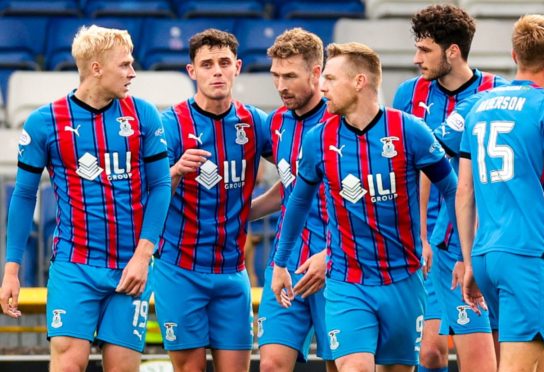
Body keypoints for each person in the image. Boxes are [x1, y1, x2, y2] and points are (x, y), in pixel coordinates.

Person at [271, 41, 458, 372]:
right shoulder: (319, 138)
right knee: (355, 367)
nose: (322, 87)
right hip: (347, 281)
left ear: (360, 81)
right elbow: (298, 201)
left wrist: (442, 243)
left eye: (330, 78)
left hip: (403, 278)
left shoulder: (410, 131)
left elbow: (454, 190)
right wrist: (280, 263)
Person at [0, 25, 171, 371]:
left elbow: (162, 186)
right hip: (73, 265)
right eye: (124, 65)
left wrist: (143, 255)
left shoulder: (144, 115)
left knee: (122, 366)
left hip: (130, 268)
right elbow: (23, 195)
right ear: (96, 68)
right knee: (67, 362)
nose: (132, 72)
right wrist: (11, 270)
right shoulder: (44, 122)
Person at [456, 14, 544, 372]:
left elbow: (464, 192)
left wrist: (470, 260)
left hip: (486, 254)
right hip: (525, 251)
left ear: (514, 55)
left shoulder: (479, 105)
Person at [392, 5, 506, 371]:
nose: (416, 58)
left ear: (452, 51)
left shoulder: (496, 92)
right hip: (434, 244)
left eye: (425, 50)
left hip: (482, 240)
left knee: (498, 350)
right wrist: (419, 236)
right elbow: (412, 170)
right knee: (430, 352)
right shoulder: (408, 95)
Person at [151, 29, 271, 372]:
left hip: (233, 273)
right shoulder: (170, 123)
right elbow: (149, 199)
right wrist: (175, 171)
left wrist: (250, 210)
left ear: (238, 67)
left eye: (223, 62)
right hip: (180, 270)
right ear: (192, 72)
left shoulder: (255, 122)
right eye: (207, 64)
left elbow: (301, 176)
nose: (216, 71)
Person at [247, 28, 337, 372]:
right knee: (271, 363)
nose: (281, 85)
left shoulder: (340, 122)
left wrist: (330, 255)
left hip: (338, 264)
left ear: (316, 72)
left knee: (340, 364)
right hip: (285, 264)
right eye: (275, 75)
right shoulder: (277, 123)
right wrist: (241, 214)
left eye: (290, 76)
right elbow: (291, 188)